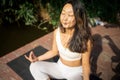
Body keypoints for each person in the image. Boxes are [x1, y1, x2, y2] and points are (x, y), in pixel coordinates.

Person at [25, 0, 93, 80]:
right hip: (59, 67)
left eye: (70, 15)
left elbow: (85, 65)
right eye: (63, 13)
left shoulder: (85, 39)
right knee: (34, 66)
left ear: (79, 18)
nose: (64, 18)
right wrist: (37, 59)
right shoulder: (57, 32)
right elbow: (54, 51)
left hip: (76, 73)